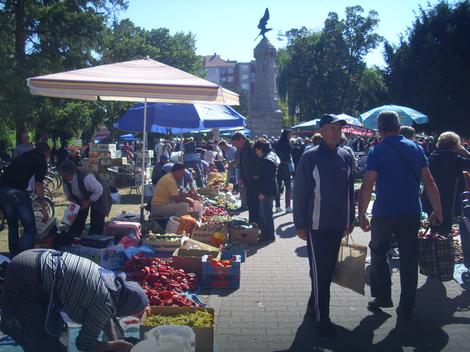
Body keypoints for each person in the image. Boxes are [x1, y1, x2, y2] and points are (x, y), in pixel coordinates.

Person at [358, 111, 443, 321]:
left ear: (380, 128)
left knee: (378, 253)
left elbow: (368, 184)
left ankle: (383, 297)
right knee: (408, 258)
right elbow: (429, 181)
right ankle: (406, 306)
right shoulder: (415, 148)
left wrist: (361, 213)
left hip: (384, 212)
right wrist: (438, 209)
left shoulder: (377, 151)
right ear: (398, 125)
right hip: (411, 211)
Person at [0, 249, 148, 352]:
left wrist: (114, 340)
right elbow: (84, 345)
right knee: (44, 342)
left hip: (30, 258)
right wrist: (113, 346)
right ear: (127, 308)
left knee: (51, 334)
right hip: (28, 277)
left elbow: (105, 317)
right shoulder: (104, 304)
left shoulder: (110, 282)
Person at [293, 114, 355, 336]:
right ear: (321, 131)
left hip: (338, 224)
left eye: (339, 128)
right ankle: (323, 319)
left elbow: (350, 191)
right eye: (331, 128)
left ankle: (313, 307)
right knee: (320, 271)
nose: (336, 131)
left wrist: (351, 218)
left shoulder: (345, 156)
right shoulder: (310, 157)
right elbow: (299, 192)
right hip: (316, 225)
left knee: (326, 271)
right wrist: (300, 223)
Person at [0, 142, 50, 256]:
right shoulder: (40, 160)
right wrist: (44, 209)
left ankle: (14, 256)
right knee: (29, 228)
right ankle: (26, 258)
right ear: (47, 153)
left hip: (2, 190)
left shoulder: (25, 155)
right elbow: (39, 185)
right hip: (17, 192)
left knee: (12, 226)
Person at [422, 131, 470, 233]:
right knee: (444, 228)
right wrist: (467, 153)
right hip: (447, 198)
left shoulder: (432, 157)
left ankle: (434, 245)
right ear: (455, 145)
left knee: (433, 227)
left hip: (429, 196)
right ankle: (444, 246)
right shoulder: (454, 158)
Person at [59, 160, 112, 241]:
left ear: (71, 172)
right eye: (63, 175)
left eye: (66, 175)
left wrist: (88, 202)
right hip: (82, 196)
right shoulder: (65, 179)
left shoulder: (86, 177)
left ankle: (94, 241)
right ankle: (74, 238)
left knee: (96, 220)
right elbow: (68, 193)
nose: (64, 177)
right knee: (77, 219)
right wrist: (73, 201)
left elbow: (99, 190)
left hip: (99, 194)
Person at [231, 132, 260, 224]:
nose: (235, 146)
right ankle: (252, 223)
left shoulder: (252, 147)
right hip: (247, 180)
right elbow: (241, 165)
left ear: (242, 140)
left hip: (255, 181)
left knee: (256, 205)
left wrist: (256, 175)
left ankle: (257, 225)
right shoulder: (242, 150)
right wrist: (241, 177)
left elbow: (258, 163)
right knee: (250, 204)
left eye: (236, 143)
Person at [254, 139, 279, 241]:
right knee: (266, 213)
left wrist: (262, 192)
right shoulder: (272, 155)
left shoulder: (266, 160)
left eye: (256, 150)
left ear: (260, 149)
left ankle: (269, 236)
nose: (256, 152)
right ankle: (266, 234)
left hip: (267, 191)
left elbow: (267, 179)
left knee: (266, 214)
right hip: (271, 189)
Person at [273, 129, 293, 213]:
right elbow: (289, 157)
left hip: (277, 167)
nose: (290, 136)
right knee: (287, 187)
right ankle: (287, 206)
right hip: (285, 167)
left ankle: (277, 206)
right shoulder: (287, 145)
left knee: (278, 186)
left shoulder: (277, 144)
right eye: (290, 135)